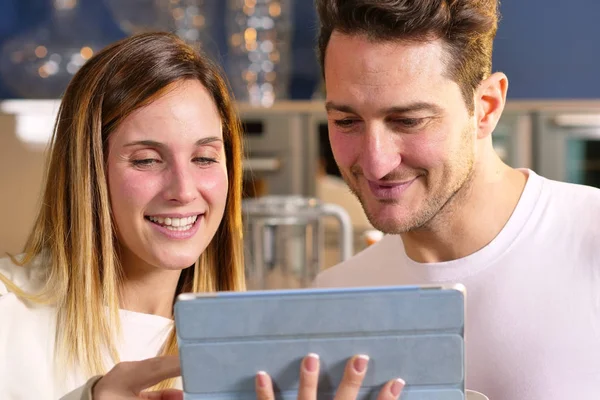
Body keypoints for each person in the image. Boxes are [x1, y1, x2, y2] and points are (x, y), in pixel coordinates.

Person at [0, 32, 404, 400]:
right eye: (146, 160)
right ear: (87, 172)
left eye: (204, 158)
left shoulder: (262, 350)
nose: (183, 190)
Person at [312, 0, 600, 399]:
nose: (376, 163)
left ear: (485, 108)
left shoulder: (591, 240)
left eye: (409, 121)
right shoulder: (332, 300)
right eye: (346, 122)